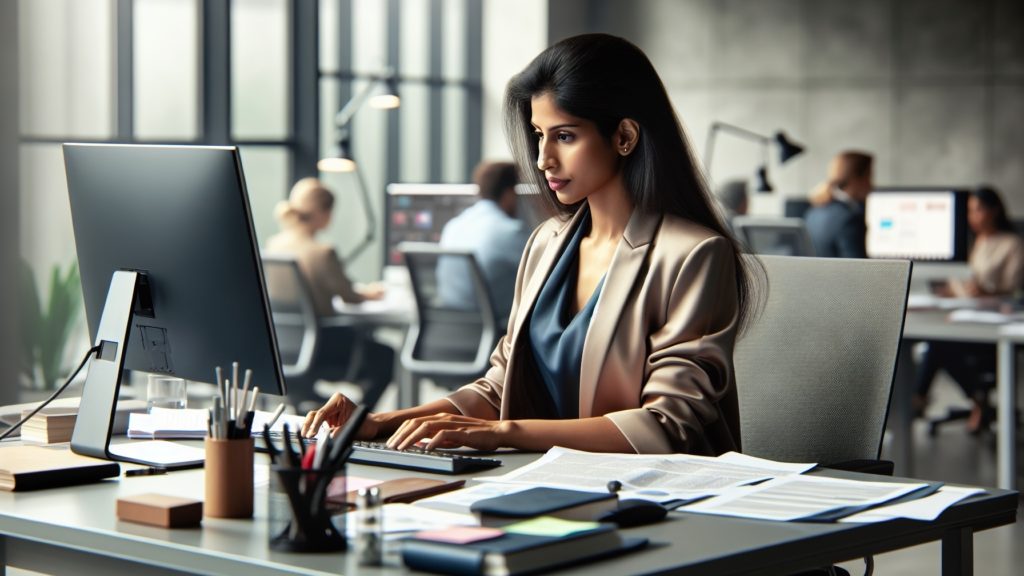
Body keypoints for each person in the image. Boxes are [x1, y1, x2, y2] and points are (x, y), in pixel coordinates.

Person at [303, 33, 762, 456]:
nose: (543, 159)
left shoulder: (694, 255)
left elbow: (667, 425)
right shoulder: (547, 242)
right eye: (539, 135)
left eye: (565, 136)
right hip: (548, 483)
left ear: (624, 136)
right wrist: (380, 423)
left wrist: (505, 433)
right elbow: (499, 386)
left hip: (659, 501)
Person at [265, 178, 394, 403]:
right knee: (386, 356)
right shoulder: (322, 252)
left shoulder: (274, 245)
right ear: (323, 213)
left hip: (282, 347)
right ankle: (358, 422)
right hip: (323, 349)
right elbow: (350, 297)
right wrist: (370, 293)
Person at [914, 186, 1024, 432]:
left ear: (994, 210)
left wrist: (986, 292)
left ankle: (921, 398)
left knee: (939, 344)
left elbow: (1015, 292)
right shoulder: (970, 243)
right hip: (960, 313)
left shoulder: (1011, 244)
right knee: (938, 340)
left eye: (978, 210)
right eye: (969, 211)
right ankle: (976, 399)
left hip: (992, 319)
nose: (972, 216)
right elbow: (958, 283)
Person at [438, 161, 531, 326]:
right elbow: (545, 274)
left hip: (450, 329)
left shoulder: (453, 226)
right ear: (510, 193)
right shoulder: (509, 231)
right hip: (493, 335)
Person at [804, 151, 873, 258]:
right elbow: (858, 269)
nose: (871, 185)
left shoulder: (813, 212)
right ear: (856, 179)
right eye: (869, 177)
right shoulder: (850, 219)